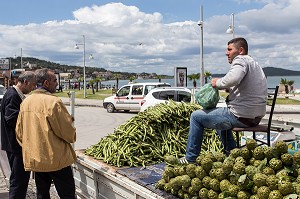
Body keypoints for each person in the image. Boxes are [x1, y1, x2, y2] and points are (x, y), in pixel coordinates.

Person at [182, 37, 267, 163]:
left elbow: (234, 78)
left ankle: (190, 158)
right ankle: (231, 153)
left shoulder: (240, 59)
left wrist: (218, 83)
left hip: (241, 116)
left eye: (229, 49)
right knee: (219, 120)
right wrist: (229, 89)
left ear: (241, 50)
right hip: (255, 117)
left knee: (196, 116)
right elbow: (242, 84)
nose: (226, 53)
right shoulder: (254, 64)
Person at [15, 68, 77, 199]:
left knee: (42, 194)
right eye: (54, 80)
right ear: (46, 83)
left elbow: (19, 133)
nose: (57, 83)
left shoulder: (26, 102)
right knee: (67, 194)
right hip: (56, 159)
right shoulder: (54, 102)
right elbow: (67, 132)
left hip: (37, 159)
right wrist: (72, 136)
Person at [1, 71, 36, 199]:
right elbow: (11, 119)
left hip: (15, 144)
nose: (34, 88)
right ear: (25, 82)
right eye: (33, 84)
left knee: (21, 178)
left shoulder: (16, 94)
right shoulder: (13, 96)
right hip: (15, 145)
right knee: (18, 180)